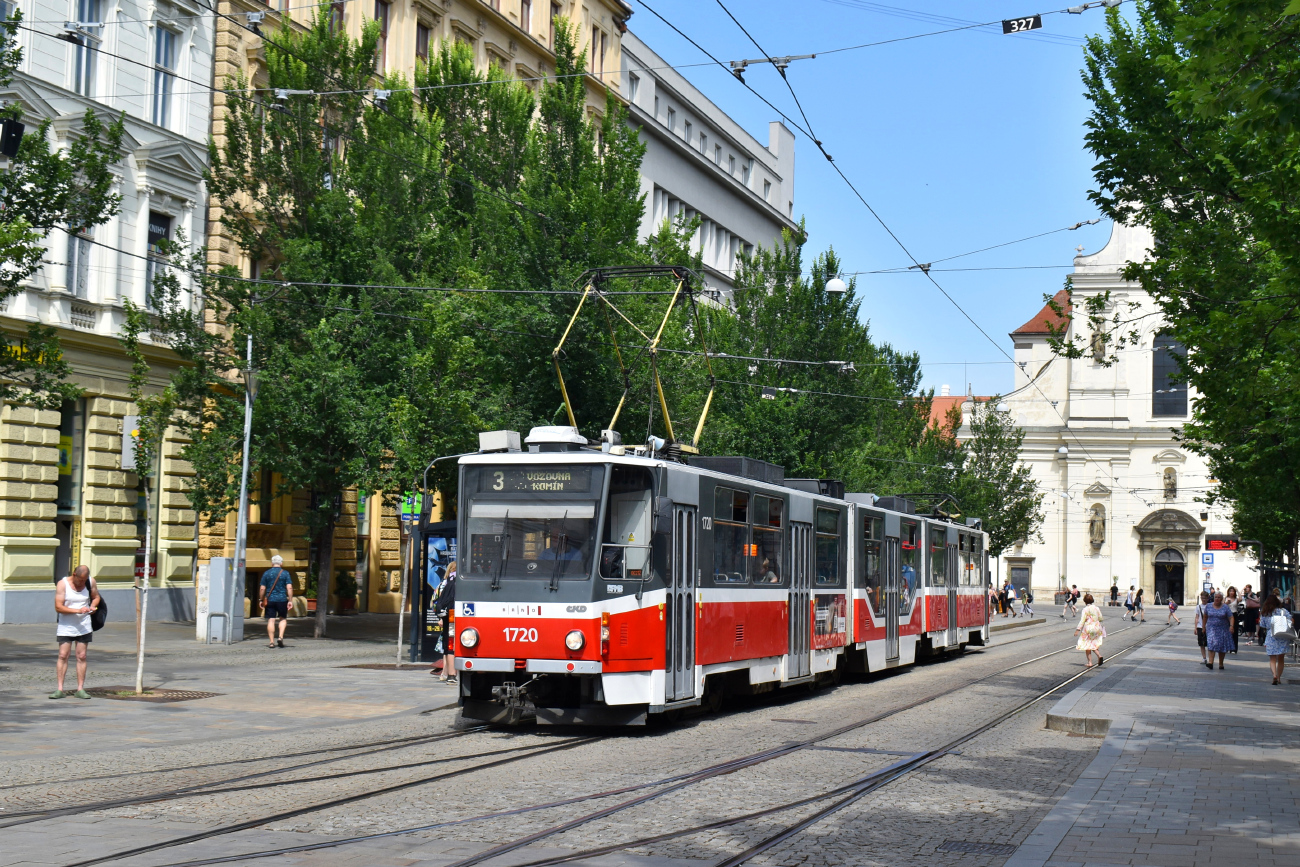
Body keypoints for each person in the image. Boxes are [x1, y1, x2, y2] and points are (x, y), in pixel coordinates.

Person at [53, 565, 100, 699]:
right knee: (63, 655)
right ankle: (60, 689)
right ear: (74, 574)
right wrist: (78, 611)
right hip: (66, 626)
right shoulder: (63, 584)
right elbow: (58, 607)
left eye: (84, 580)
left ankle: (80, 689)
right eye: (80, 580)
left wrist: (92, 606)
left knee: (82, 656)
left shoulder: (90, 582)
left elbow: (96, 597)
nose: (82, 583)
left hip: (84, 626)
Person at [259, 555, 295, 649]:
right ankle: (280, 637)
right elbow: (289, 587)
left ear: (272, 563)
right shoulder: (285, 573)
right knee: (282, 618)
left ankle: (271, 642)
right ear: (281, 563)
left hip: (270, 600)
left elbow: (262, 588)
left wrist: (261, 599)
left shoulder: (266, 573)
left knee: (271, 620)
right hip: (282, 600)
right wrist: (290, 600)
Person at [1260, 594, 1293, 686]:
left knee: (1272, 658)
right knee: (1281, 658)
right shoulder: (1283, 611)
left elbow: (1262, 625)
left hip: (1271, 635)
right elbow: (1291, 620)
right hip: (1282, 635)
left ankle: (1274, 675)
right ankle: (1278, 677)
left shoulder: (1265, 613)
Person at [434, 561, 457, 683]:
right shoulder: (451, 583)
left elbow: (436, 602)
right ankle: (448, 673)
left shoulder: (445, 583)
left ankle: (448, 673)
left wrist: (441, 617)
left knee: (448, 644)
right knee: (450, 643)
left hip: (448, 616)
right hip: (452, 616)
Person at [1203, 590, 1234, 670]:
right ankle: (1210, 662)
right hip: (1211, 629)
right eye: (1216, 597)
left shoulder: (1225, 607)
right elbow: (1205, 616)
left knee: (1221, 646)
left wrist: (1231, 626)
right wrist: (1203, 627)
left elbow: (1231, 617)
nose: (1217, 599)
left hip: (1222, 630)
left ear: (1221, 599)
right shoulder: (1209, 606)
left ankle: (1221, 663)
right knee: (1211, 644)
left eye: (1219, 597)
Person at [1074, 592, 1105, 668]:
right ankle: (1099, 655)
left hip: (1088, 629)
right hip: (1097, 628)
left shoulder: (1085, 609)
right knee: (1093, 643)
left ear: (1085, 601)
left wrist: (1078, 630)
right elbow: (1101, 618)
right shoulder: (1097, 608)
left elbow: (1082, 620)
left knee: (1087, 645)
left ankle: (1090, 662)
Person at [1194, 591, 1210, 664]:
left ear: (1207, 598)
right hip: (1200, 626)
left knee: (1209, 643)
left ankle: (1210, 658)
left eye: (1205, 598)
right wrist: (1195, 627)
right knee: (1201, 643)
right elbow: (1197, 617)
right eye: (1202, 598)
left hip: (1208, 627)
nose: (1203, 600)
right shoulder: (1198, 607)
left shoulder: (1210, 606)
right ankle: (1204, 658)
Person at [1224, 586, 1240, 653]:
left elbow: (1241, 598)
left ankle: (1234, 648)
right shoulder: (1226, 598)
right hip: (1227, 615)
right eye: (1230, 591)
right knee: (1227, 632)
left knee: (1234, 632)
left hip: (1234, 614)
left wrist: (1238, 590)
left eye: (1233, 591)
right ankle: (1227, 647)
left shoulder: (1236, 599)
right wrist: (1226, 603)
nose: (1231, 593)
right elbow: (1222, 606)